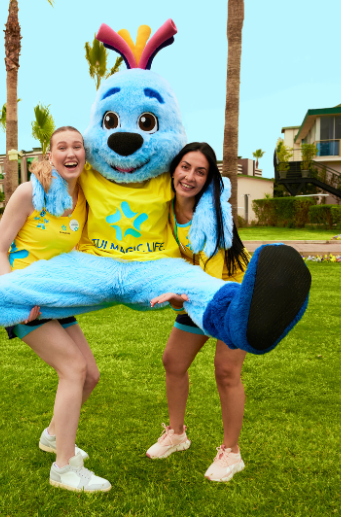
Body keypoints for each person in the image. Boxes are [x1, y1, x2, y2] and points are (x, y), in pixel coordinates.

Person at [0, 126, 110, 493]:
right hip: (24, 300)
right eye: (62, 147)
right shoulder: (30, 192)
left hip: (56, 299)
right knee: (73, 369)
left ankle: (54, 436)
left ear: (85, 154)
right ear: (51, 154)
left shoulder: (86, 197)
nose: (70, 153)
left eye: (77, 147)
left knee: (90, 375)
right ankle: (63, 468)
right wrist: (15, 296)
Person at [147, 142, 250, 483]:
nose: (190, 177)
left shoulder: (213, 216)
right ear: (174, 169)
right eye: (185, 167)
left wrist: (179, 298)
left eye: (200, 172)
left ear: (208, 180)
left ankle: (232, 453)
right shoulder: (163, 210)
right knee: (173, 362)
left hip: (230, 296)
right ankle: (177, 434)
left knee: (226, 372)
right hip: (194, 295)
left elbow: (211, 284)